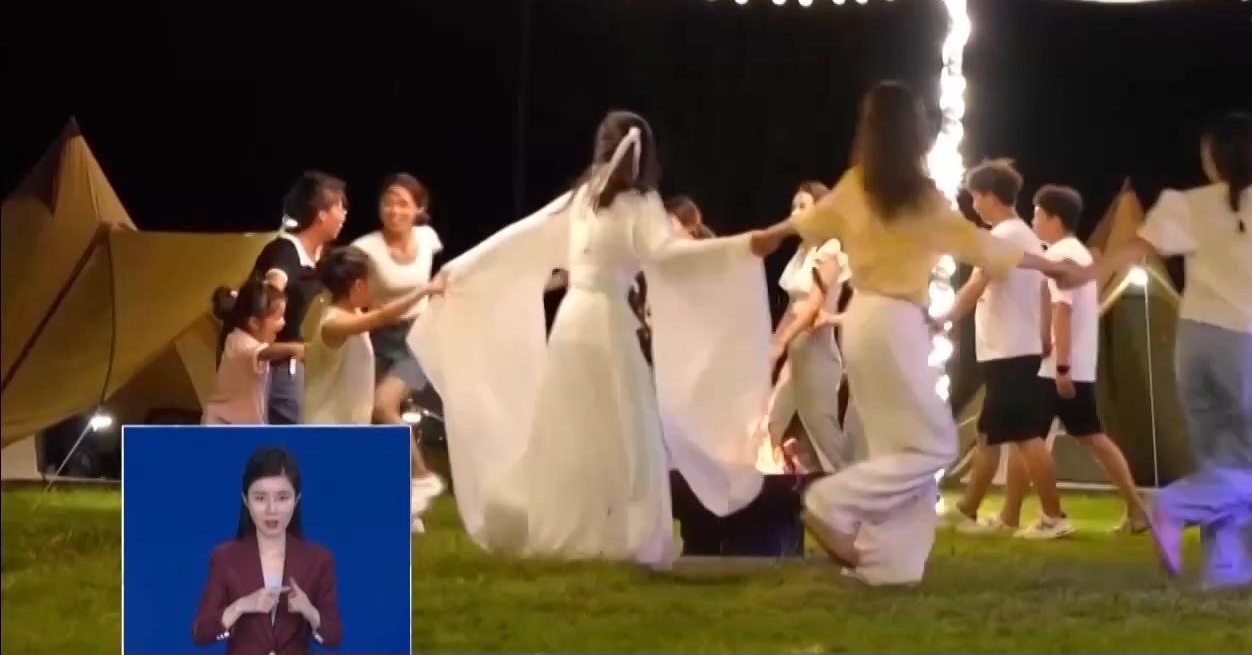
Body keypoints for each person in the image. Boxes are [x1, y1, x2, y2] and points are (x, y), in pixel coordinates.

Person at [410, 109, 776, 566]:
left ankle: (567, 525)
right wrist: (740, 247)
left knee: (570, 428)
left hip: (571, 321)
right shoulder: (639, 204)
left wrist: (462, 268)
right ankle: (614, 532)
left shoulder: (583, 198)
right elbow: (669, 255)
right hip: (607, 323)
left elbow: (522, 235)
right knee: (619, 430)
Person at [745, 82, 1068, 586]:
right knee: (932, 446)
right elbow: (980, 246)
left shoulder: (856, 185)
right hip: (895, 323)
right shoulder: (921, 197)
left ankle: (889, 563)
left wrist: (771, 234)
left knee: (896, 448)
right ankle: (830, 500)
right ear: (915, 131)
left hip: (861, 323)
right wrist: (1048, 264)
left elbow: (811, 221)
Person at [1057, 113, 1252, 589]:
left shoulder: (1190, 204)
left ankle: (1229, 571)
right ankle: (1174, 505)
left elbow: (1138, 245)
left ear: (1213, 162)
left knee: (1219, 464)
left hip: (1193, 341)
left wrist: (1089, 274)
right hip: (1243, 342)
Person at [998, 183, 1152, 535]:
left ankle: (1050, 518)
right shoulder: (1077, 253)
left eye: (1037, 214)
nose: (1033, 221)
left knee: (1029, 437)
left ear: (1055, 219)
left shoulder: (1060, 257)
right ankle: (1135, 511)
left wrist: (1062, 366)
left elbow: (1062, 312)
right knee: (1085, 438)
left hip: (1060, 368)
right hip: (1071, 365)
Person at [936, 159, 1069, 540]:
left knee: (1025, 437)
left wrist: (941, 320)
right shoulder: (1024, 235)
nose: (974, 205)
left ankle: (1054, 516)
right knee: (989, 434)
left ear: (990, 196)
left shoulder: (1005, 238)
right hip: (1013, 349)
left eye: (976, 197)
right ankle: (973, 510)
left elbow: (975, 286)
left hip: (1009, 351)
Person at [346, 174, 446, 514]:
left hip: (418, 338)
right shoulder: (365, 248)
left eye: (403, 203)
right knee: (373, 420)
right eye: (388, 202)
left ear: (419, 208)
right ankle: (401, 504)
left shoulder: (428, 238)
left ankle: (423, 477)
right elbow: (351, 293)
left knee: (383, 405)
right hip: (377, 336)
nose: (394, 210)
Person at [192, 446, 341, 654]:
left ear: (296, 500)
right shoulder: (225, 558)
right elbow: (200, 633)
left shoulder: (318, 559)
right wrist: (241, 606)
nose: (272, 510)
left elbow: (334, 635)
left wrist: (309, 610)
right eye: (260, 498)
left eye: (282, 498)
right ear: (246, 500)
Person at [305, 248, 445, 429]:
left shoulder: (353, 313)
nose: (376, 289)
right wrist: (424, 290)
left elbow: (385, 313)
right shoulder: (333, 322)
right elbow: (381, 316)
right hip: (327, 429)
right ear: (359, 286)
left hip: (348, 427)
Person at [766, 181, 852, 472]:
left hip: (817, 352)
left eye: (802, 206)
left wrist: (780, 342)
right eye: (793, 207)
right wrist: (776, 343)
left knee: (823, 431)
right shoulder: (802, 253)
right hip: (797, 352)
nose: (795, 213)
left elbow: (812, 306)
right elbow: (793, 307)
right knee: (771, 421)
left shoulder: (831, 251)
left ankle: (852, 488)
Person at [252, 172, 347, 425]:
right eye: (339, 206)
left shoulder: (323, 259)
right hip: (278, 369)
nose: (344, 214)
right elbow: (271, 289)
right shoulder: (285, 251)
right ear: (321, 214)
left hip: (308, 367)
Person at [202, 279, 303, 425]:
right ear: (254, 323)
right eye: (277, 317)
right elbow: (264, 353)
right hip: (223, 425)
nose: (283, 323)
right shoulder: (239, 343)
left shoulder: (240, 339)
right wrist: (295, 348)